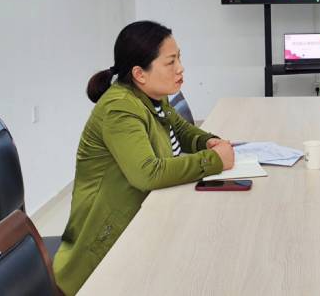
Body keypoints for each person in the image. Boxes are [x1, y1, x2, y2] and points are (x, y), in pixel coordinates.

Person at [53, 21, 236, 295]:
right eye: (170, 62)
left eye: (179, 58)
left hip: (143, 223)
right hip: (103, 252)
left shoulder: (151, 96)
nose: (180, 68)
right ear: (139, 73)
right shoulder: (120, 108)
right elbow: (147, 174)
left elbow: (181, 130)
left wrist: (207, 141)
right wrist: (213, 160)